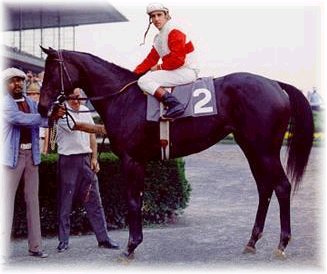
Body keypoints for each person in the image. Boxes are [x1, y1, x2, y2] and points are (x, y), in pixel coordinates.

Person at [1, 67, 64, 259]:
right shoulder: (4, 103)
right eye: (13, 81)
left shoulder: (30, 101)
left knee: (33, 202)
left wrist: (54, 112)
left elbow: (44, 122)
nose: (18, 84)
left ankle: (35, 247)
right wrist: (47, 116)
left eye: (20, 80)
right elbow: (21, 119)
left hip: (32, 157)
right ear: (5, 84)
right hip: (11, 158)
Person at [55, 88, 119, 252]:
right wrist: (104, 128)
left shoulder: (84, 110)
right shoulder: (61, 112)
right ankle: (63, 241)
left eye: (78, 97)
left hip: (85, 159)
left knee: (95, 201)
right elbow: (81, 127)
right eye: (72, 98)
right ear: (66, 99)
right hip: (68, 161)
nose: (76, 101)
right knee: (65, 202)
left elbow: (91, 137)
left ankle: (103, 239)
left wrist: (94, 158)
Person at [134, 3, 199, 119]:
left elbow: (178, 60)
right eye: (153, 16)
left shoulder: (174, 30)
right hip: (177, 70)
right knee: (142, 78)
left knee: (144, 81)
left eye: (159, 15)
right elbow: (150, 60)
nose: (156, 19)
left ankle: (175, 105)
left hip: (186, 71)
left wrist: (158, 68)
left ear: (166, 15)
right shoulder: (159, 37)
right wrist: (132, 74)